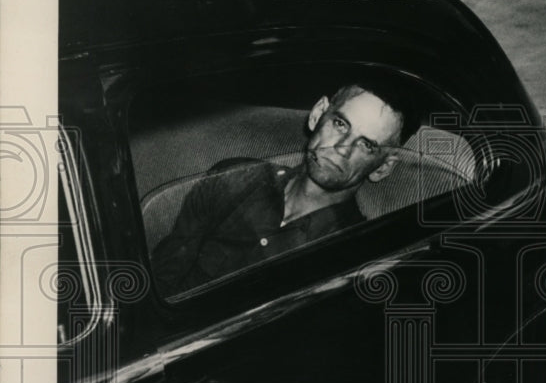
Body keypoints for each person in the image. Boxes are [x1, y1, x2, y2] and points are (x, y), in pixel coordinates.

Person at [152, 80, 416, 296]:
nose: (342, 148)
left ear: (383, 167)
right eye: (340, 124)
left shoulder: (351, 257)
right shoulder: (233, 178)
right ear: (317, 114)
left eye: (366, 145)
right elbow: (163, 278)